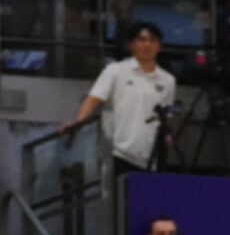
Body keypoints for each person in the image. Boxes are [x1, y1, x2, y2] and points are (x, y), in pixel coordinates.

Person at [75, 20, 176, 171]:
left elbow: (167, 116)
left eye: (152, 41)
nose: (147, 45)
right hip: (118, 152)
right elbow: (93, 99)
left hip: (151, 155)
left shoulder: (168, 80)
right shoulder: (116, 70)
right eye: (141, 40)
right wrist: (76, 124)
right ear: (132, 45)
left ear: (159, 46)